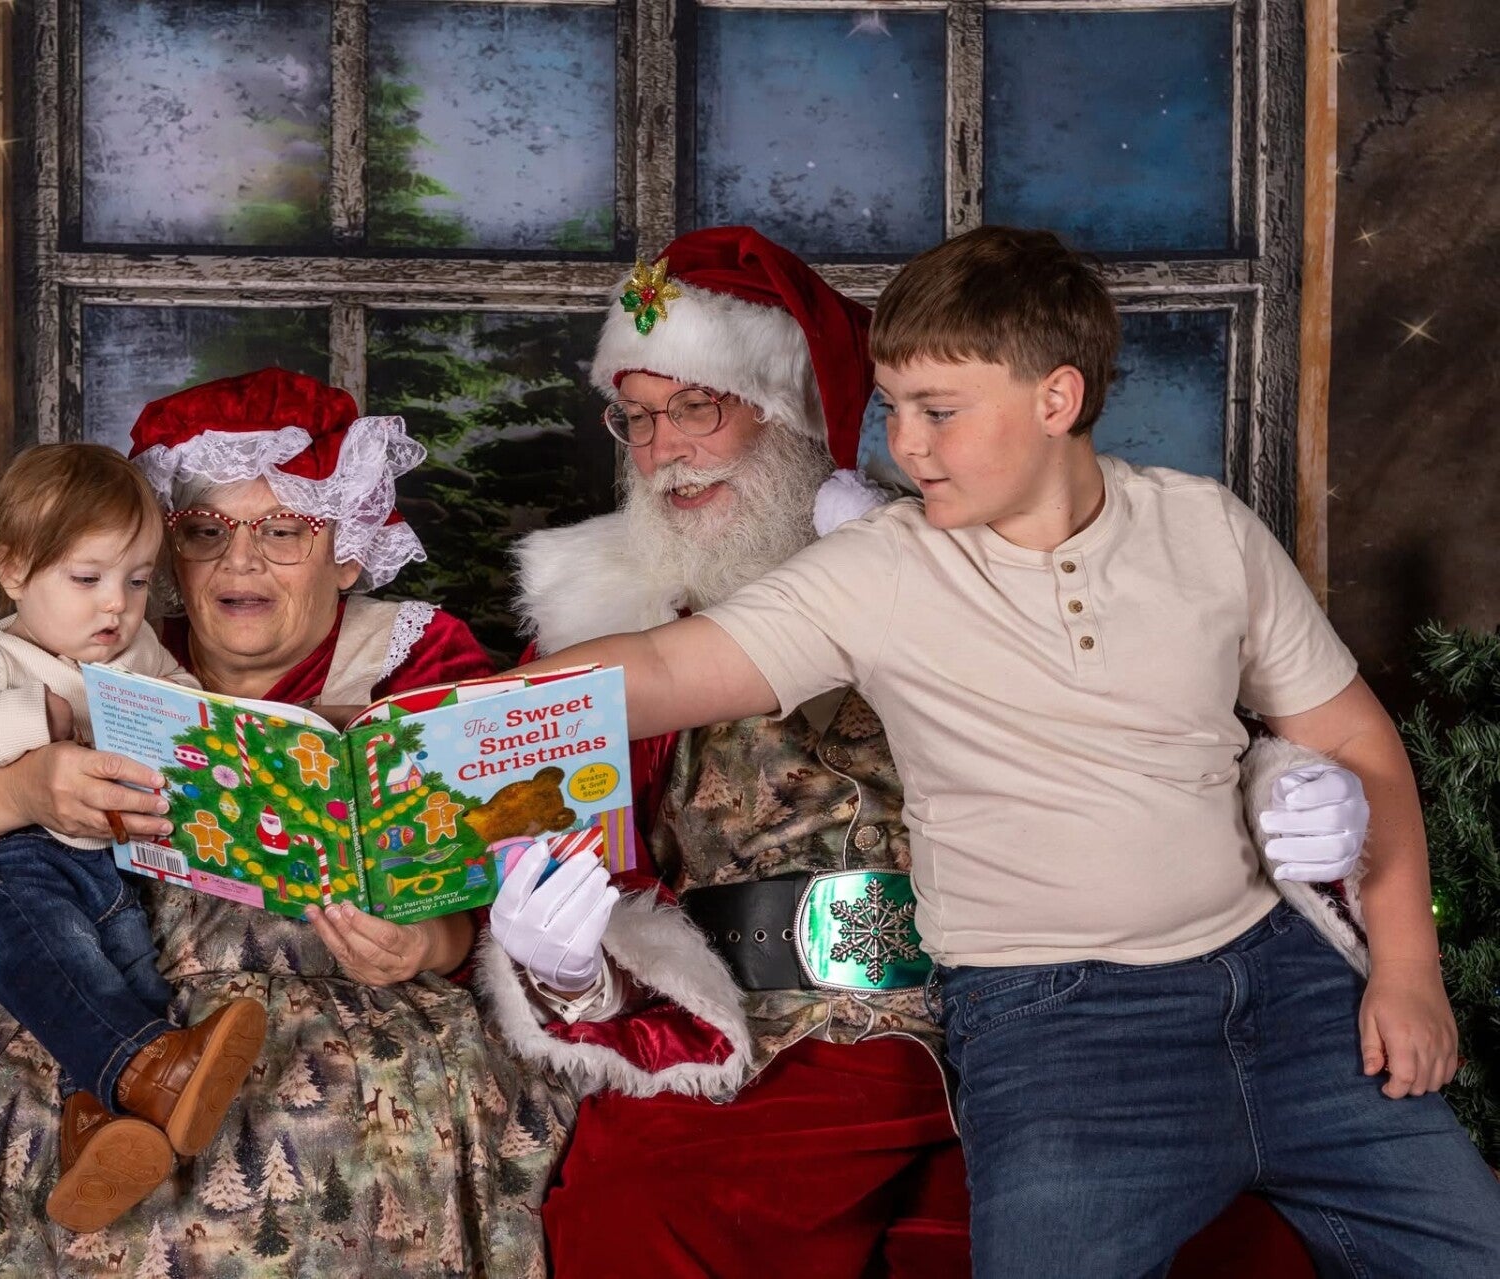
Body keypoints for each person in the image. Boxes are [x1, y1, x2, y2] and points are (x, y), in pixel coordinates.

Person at [481, 227, 1385, 1277]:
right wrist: (572, 967)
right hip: (765, 1041)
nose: (660, 451)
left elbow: (1170, 736)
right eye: (635, 418)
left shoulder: (978, 545)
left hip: (1028, 1015)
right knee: (634, 1211)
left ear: (792, 412)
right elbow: (559, 798)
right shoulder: (594, 634)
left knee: (1216, 1236)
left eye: (695, 408)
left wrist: (1297, 791)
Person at [0, 370, 573, 1278]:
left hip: (329, 991)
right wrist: (21, 789)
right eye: (204, 531)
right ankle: (106, 1109)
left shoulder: (419, 656)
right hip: (91, 957)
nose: (239, 562)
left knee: (311, 1116)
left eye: (282, 529)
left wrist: (425, 942)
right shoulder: (100, 636)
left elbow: (512, 864)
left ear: (347, 547)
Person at [0, 442, 267, 1232]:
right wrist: (34, 717)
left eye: (137, 581)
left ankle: (96, 1134)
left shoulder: (136, 651)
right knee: (55, 949)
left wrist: (203, 734)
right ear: (13, 570)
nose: (117, 606)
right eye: (87, 578)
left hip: (112, 881)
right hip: (12, 879)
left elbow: (188, 710)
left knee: (117, 988)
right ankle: (156, 1067)